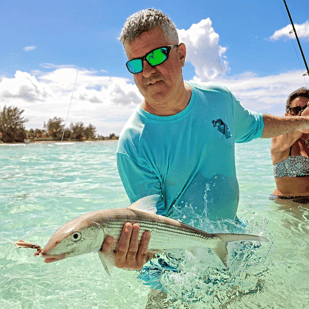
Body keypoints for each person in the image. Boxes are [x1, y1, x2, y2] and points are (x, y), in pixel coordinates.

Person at [101, 8, 309, 302]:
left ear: (181, 54)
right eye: (135, 64)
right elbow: (151, 225)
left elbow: (257, 125)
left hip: (236, 249)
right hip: (177, 273)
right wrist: (130, 255)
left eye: (157, 56)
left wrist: (303, 123)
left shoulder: (218, 99)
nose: (147, 71)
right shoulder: (133, 143)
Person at [271, 87, 309, 202]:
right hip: (288, 206)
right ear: (287, 116)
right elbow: (300, 125)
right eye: (296, 110)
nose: (301, 114)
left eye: (305, 109)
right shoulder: (280, 136)